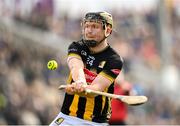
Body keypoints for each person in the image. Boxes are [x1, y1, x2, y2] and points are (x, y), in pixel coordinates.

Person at [50, 11, 123, 126]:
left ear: (108, 30)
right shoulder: (76, 47)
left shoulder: (114, 60)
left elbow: (96, 88)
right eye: (87, 26)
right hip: (67, 116)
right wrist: (80, 81)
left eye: (95, 26)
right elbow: (76, 67)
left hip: (95, 122)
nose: (89, 30)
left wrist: (83, 89)